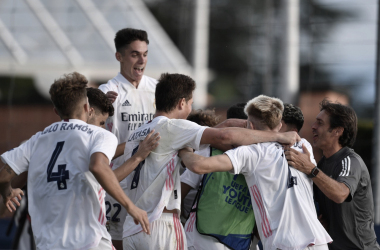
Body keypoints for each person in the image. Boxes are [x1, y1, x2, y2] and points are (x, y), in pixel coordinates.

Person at [121, 74, 300, 250]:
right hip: (160, 224)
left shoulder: (139, 132)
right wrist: (277, 135)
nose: (191, 109)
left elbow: (219, 128)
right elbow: (224, 135)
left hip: (131, 226)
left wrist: (249, 124)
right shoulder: (173, 126)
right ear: (182, 103)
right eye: (191, 104)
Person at [0, 72, 150, 250]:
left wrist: (7, 192)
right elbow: (98, 167)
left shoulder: (36, 140)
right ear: (88, 107)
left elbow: (3, 177)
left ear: (56, 111)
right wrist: (131, 207)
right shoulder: (99, 135)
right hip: (90, 242)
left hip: (48, 245)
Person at [179, 95, 332, 250]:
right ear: (280, 125)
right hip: (318, 242)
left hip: (283, 243)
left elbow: (198, 165)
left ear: (249, 126)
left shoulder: (252, 153)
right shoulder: (302, 144)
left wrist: (183, 148)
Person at [285, 99, 380, 249]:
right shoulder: (321, 165)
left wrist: (310, 169)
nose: (313, 126)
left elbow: (340, 194)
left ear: (337, 131)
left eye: (320, 123)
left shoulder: (350, 160)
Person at [98, 28, 157, 248]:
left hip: (150, 184)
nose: (142, 60)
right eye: (134, 54)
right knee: (117, 244)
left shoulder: (157, 90)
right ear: (119, 56)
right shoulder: (107, 93)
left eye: (145, 53)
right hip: (118, 183)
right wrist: (100, 108)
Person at [181, 104, 259, 250]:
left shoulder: (260, 162)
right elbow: (180, 192)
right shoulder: (264, 163)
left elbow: (178, 193)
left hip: (215, 241)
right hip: (211, 240)